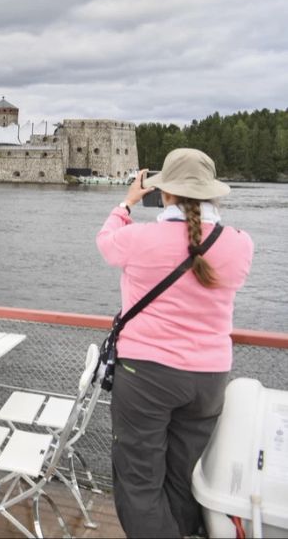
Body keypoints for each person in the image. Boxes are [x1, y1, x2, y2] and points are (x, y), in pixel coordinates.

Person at [96, 148, 254, 538]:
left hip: (146, 375)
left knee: (139, 479)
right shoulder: (239, 243)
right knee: (184, 475)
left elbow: (105, 242)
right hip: (209, 377)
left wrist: (126, 203)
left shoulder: (140, 238)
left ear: (164, 193)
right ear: (212, 194)